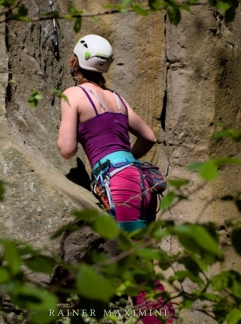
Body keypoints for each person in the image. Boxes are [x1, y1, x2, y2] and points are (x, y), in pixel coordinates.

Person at [57, 35, 175, 323]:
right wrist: (127, 160)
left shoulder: (72, 95)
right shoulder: (119, 100)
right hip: (142, 182)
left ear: (77, 61)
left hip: (119, 185)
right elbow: (149, 137)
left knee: (138, 273)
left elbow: (66, 149)